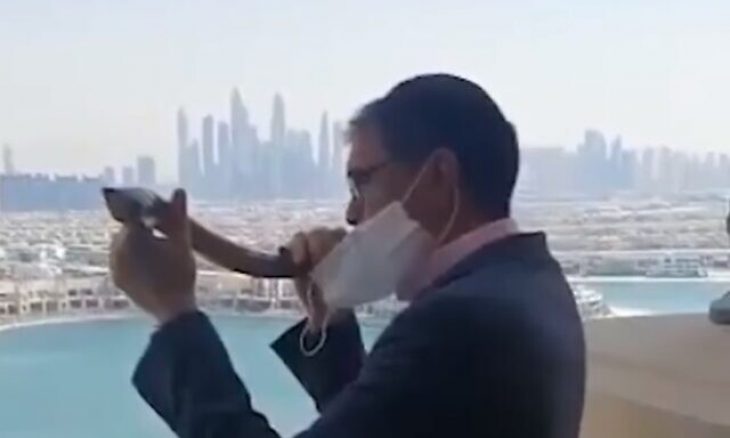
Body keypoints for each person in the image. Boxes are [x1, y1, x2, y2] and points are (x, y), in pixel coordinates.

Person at [110, 74, 585, 437]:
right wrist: (330, 321)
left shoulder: (454, 322)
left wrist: (176, 314)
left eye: (362, 183)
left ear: (440, 176)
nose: (352, 214)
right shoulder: (530, 281)